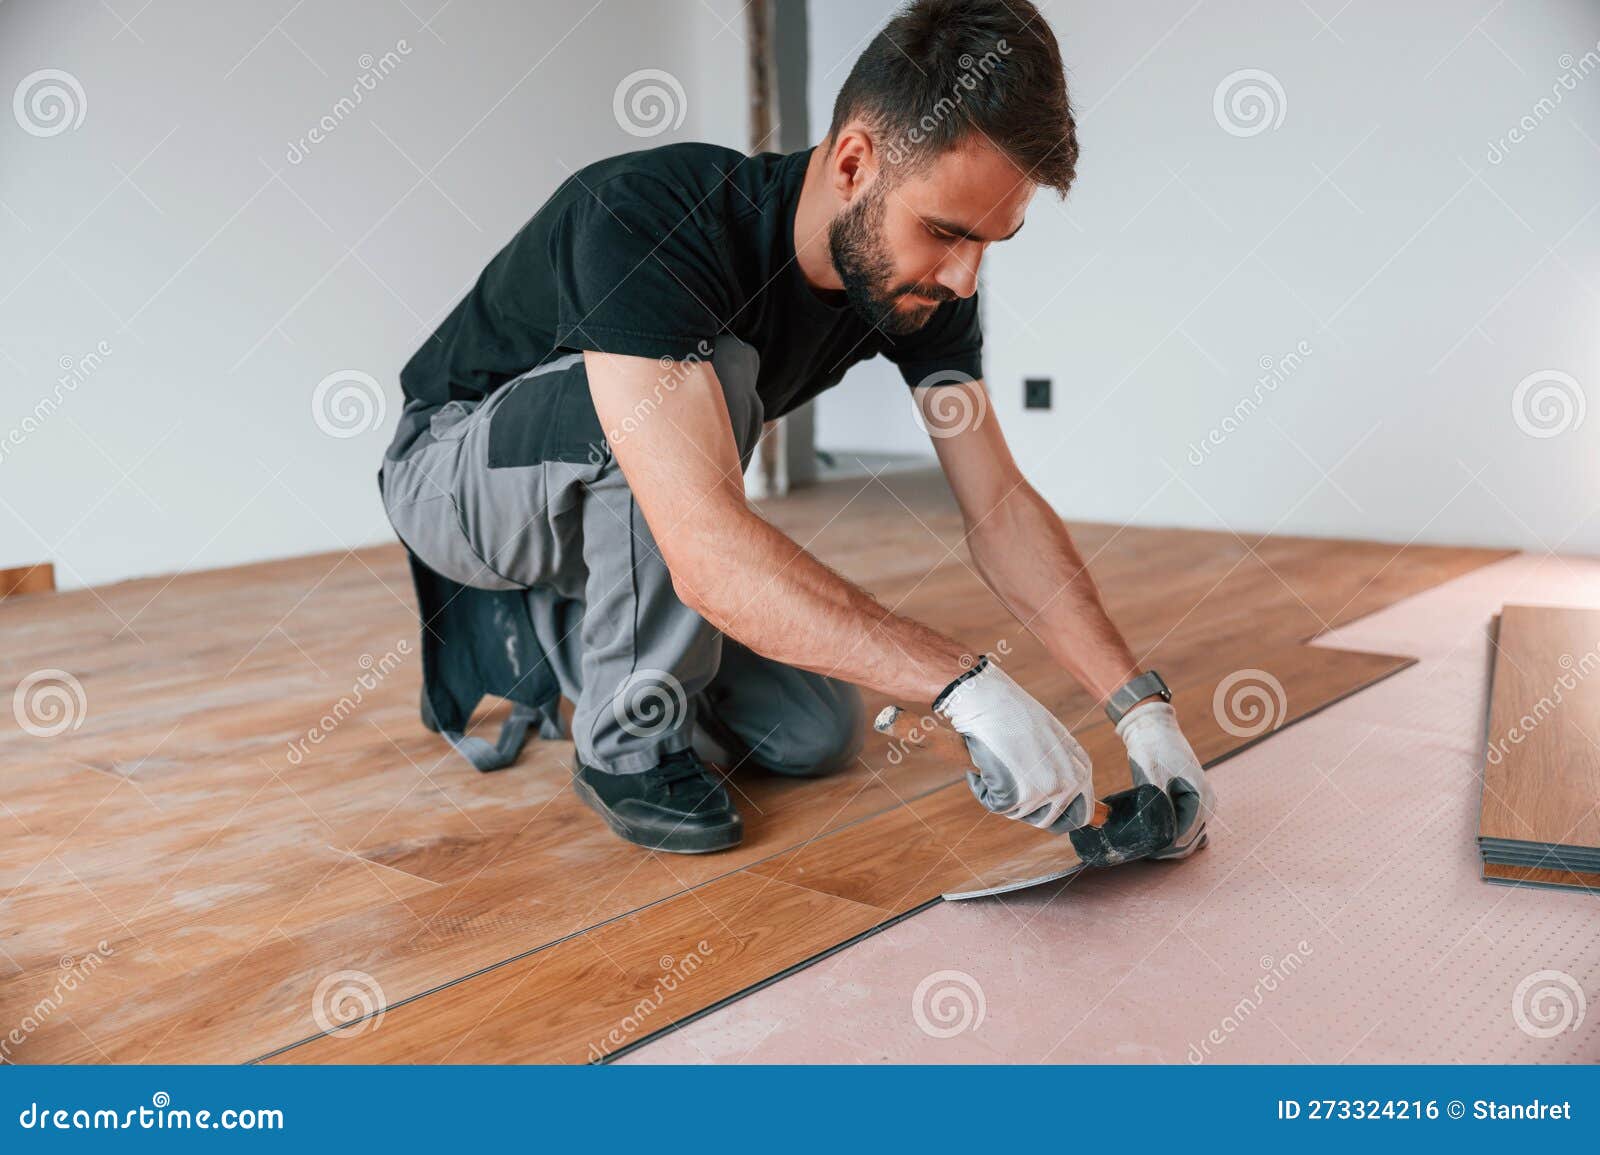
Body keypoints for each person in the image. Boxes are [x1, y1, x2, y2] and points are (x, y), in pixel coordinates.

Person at [380, 0, 1215, 857]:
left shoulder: (924, 292)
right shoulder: (647, 217)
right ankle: (623, 751)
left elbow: (997, 503)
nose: (964, 278)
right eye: (944, 233)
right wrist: (966, 685)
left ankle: (563, 629)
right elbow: (703, 545)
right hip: (451, 477)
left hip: (608, 502)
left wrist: (1141, 709)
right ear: (854, 161)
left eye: (990, 244)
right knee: (718, 373)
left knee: (815, 731)